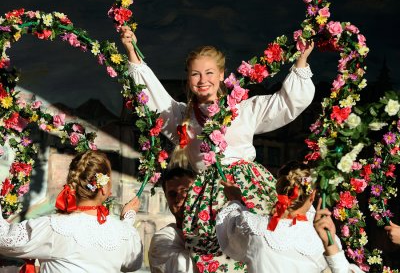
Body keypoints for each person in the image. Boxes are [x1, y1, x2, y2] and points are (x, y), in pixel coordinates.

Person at [121, 26, 315, 272]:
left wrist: (301, 60)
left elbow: (285, 103)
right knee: (215, 262)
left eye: (210, 73)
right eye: (195, 74)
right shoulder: (182, 116)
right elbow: (154, 98)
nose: (203, 81)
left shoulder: (243, 109)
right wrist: (131, 51)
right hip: (206, 199)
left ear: (222, 74)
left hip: (248, 190)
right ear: (188, 78)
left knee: (260, 252)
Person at [0, 150, 143, 273]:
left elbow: (4, 239)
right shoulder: (124, 233)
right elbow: (132, 264)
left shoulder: (56, 228)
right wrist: (128, 217)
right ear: (104, 188)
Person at [216, 161, 363, 273]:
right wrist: (329, 242)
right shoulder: (321, 239)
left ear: (278, 189)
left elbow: (229, 226)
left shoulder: (252, 227)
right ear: (312, 196)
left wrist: (235, 199)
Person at [148, 167, 197, 273]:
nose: (179, 201)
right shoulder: (163, 238)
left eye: (186, 192)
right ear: (166, 197)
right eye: (172, 194)